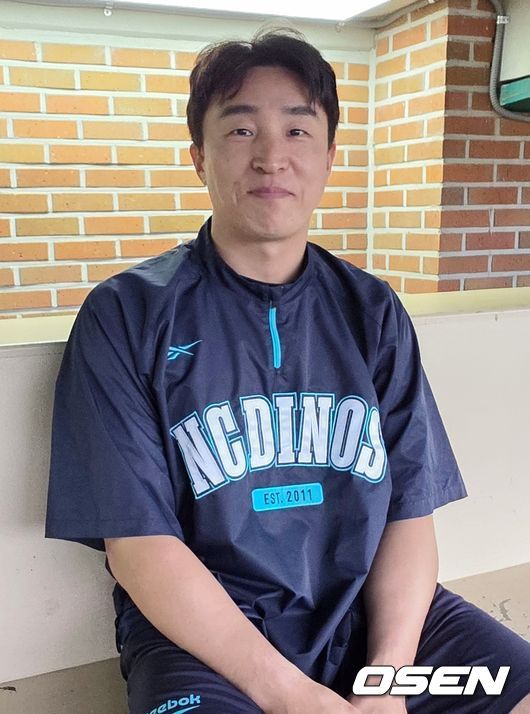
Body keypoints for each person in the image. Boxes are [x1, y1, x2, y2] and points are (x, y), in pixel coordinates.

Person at [45, 28, 530, 714]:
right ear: (199, 155)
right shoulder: (126, 314)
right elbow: (138, 543)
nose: (271, 156)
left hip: (368, 614)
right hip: (207, 637)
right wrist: (289, 694)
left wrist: (389, 680)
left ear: (329, 156)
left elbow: (409, 512)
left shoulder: (372, 310)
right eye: (241, 130)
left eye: (298, 130)